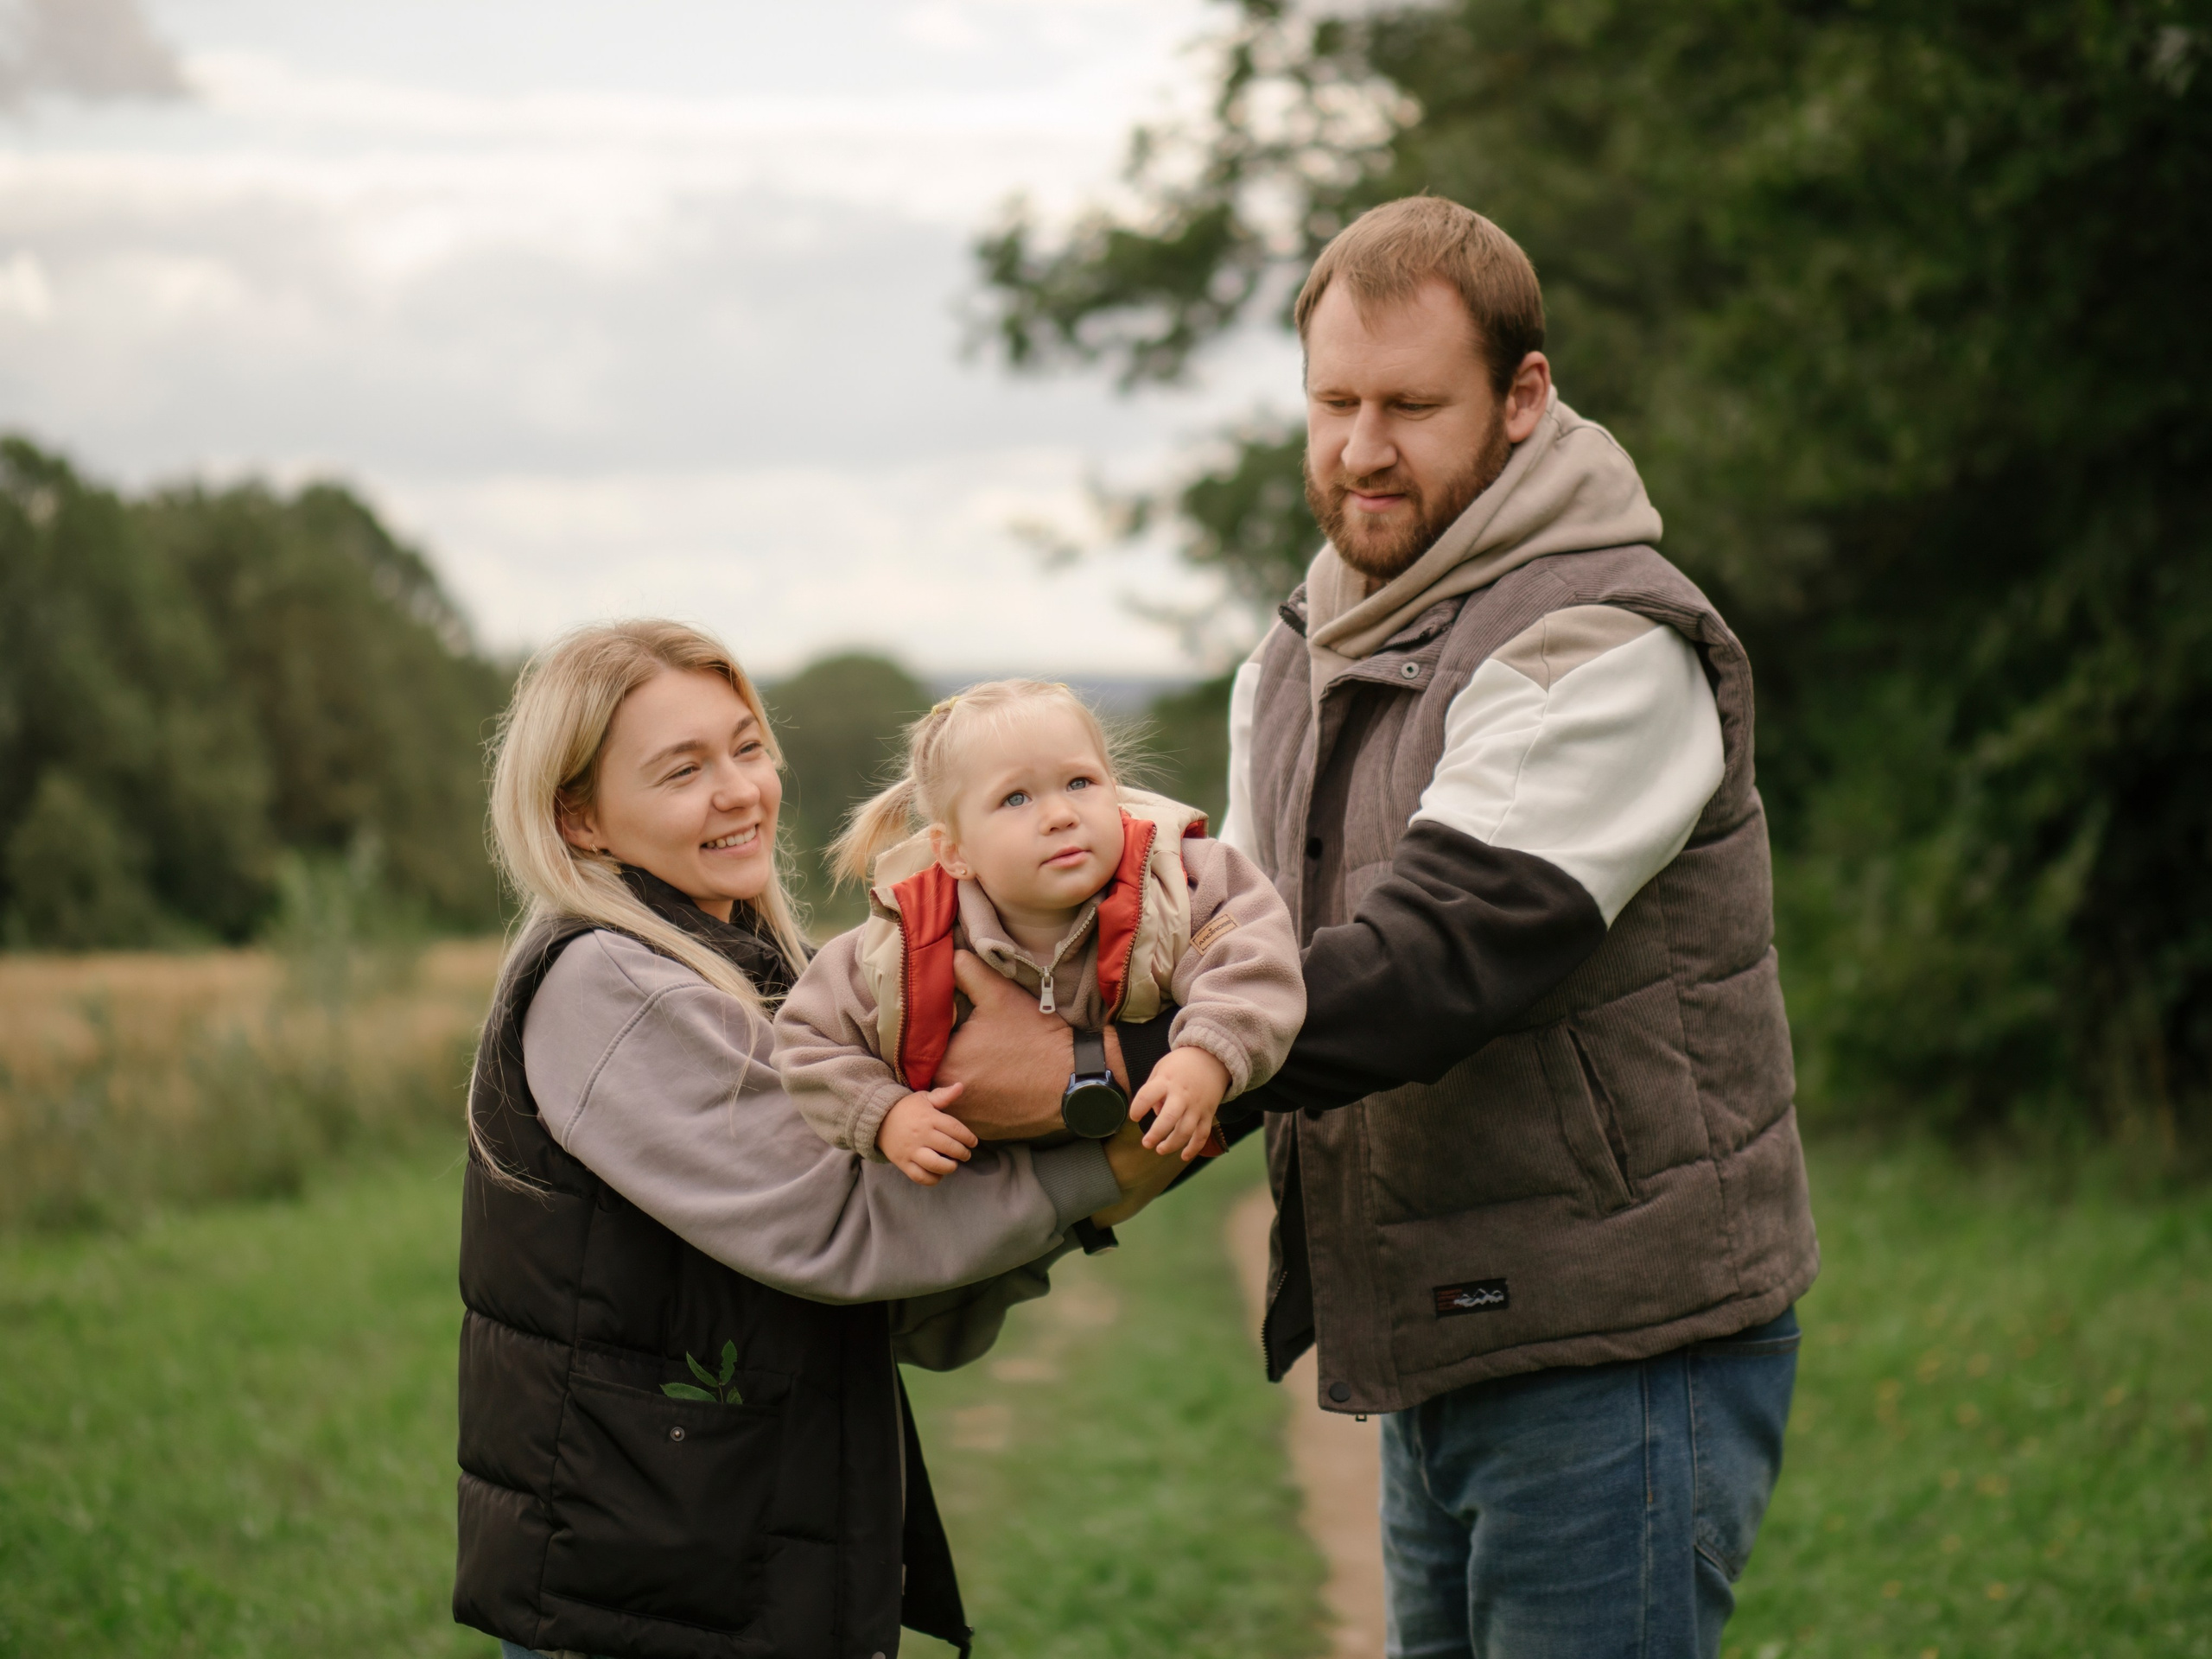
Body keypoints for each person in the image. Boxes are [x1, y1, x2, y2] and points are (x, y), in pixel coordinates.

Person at [936, 198, 1819, 1657]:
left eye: (1412, 405)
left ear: (1523, 400)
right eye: (1335, 401)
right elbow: (1228, 955)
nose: (1361, 447)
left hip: (1618, 1346)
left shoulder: (1603, 641)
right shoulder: (1291, 658)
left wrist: (1085, 1079)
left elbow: (1430, 965)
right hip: (1437, 1320)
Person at [452, 621, 1180, 1659]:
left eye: (748, 748)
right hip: (652, 1592)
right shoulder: (606, 981)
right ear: (582, 818)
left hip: (730, 1549)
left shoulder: (751, 959)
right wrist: (1108, 1152)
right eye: (682, 770)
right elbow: (842, 1227)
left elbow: (891, 1300)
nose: (739, 790)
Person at [774, 678, 1304, 1185]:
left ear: (1113, 792)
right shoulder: (901, 943)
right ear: (953, 852)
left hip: (1138, 1171)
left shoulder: (1185, 883)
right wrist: (883, 1113)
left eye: (1080, 783)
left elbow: (1258, 958)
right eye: (1016, 799)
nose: (1059, 814)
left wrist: (1206, 1054)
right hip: (979, 1199)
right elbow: (806, 1040)